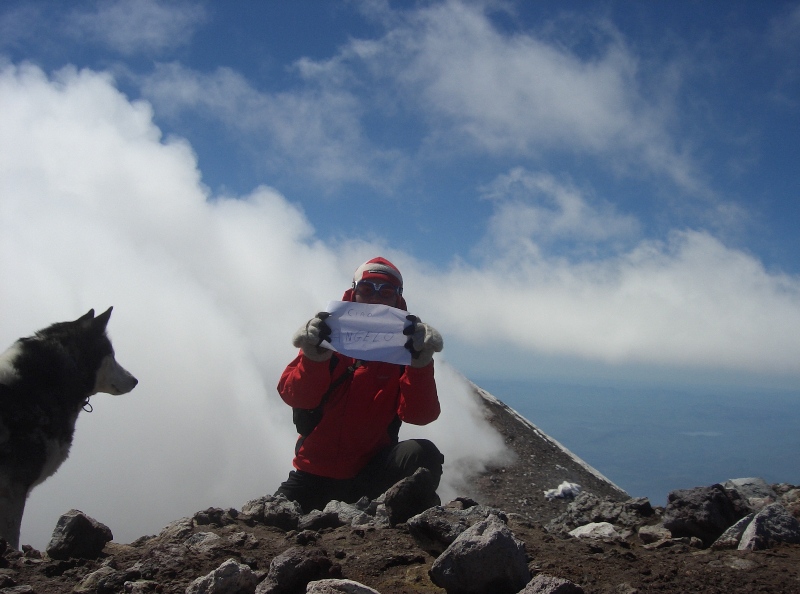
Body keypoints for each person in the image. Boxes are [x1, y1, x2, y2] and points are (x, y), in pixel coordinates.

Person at [275, 257, 444, 513]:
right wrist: (313, 358)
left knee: (423, 454)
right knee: (270, 520)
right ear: (353, 293)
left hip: (369, 475)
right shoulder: (326, 337)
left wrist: (419, 364)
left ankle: (402, 522)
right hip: (312, 473)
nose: (375, 298)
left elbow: (420, 416)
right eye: (367, 289)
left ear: (397, 298)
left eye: (385, 291)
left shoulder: (405, 349)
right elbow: (297, 397)